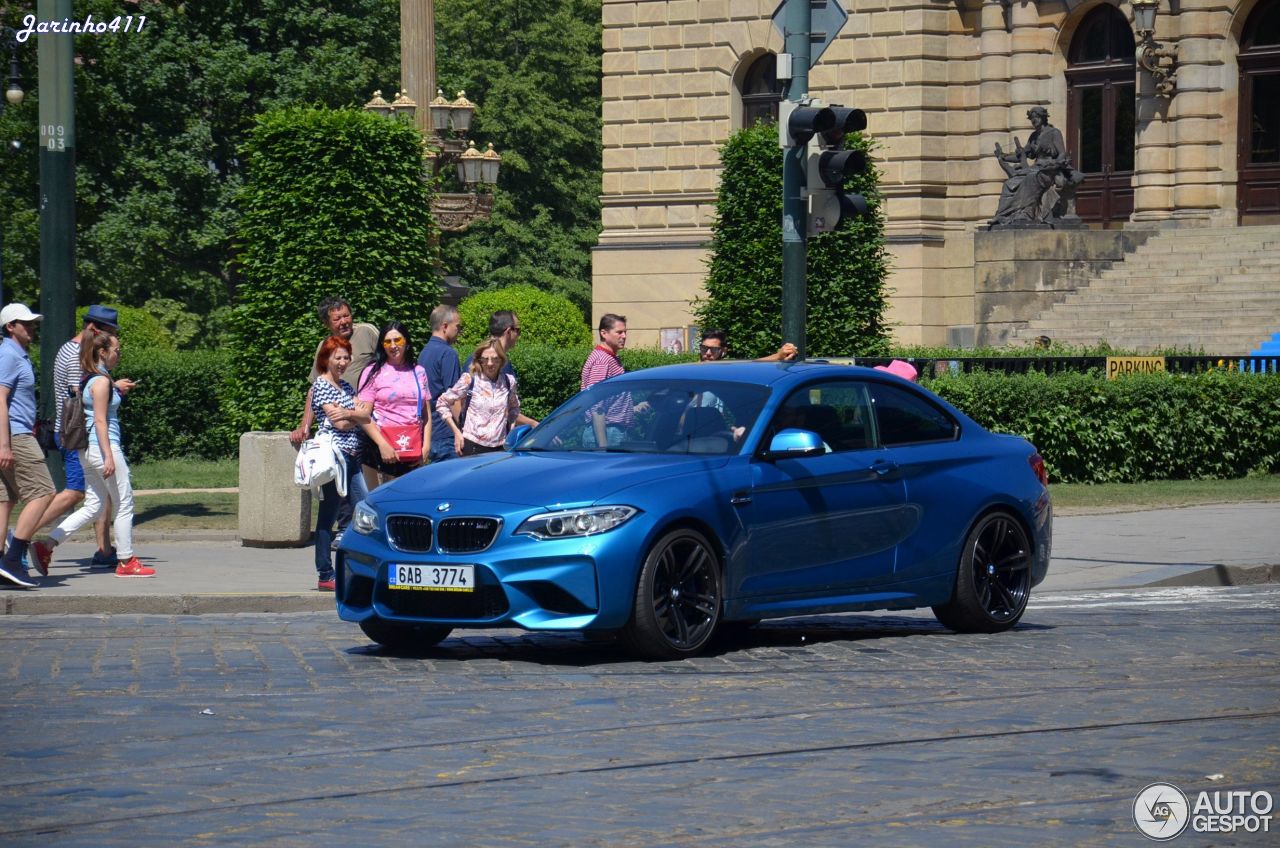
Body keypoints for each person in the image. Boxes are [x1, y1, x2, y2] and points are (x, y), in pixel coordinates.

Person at [43, 333, 154, 576]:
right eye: (116, 350)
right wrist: (108, 456)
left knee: (93, 505)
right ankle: (126, 561)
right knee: (124, 502)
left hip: (86, 450)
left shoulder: (90, 379)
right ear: (102, 352)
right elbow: (101, 421)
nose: (119, 355)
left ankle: (46, 545)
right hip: (103, 446)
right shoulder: (102, 382)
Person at [41, 305, 123, 568]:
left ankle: (105, 549)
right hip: (78, 435)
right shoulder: (78, 353)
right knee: (75, 493)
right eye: (108, 333)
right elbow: (84, 394)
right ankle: (18, 537)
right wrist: (114, 387)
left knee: (99, 495)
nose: (110, 339)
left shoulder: (69, 349)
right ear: (93, 329)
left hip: (73, 432)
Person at [0, 304, 56, 588]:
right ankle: (12, 559)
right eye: (26, 323)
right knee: (44, 492)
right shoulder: (9, 355)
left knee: (6, 498)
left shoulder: (14, 354)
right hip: (16, 436)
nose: (32, 327)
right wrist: (4, 444)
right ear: (11, 326)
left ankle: (2, 563)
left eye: (33, 323)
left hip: (13, 435)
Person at [311, 336, 372, 591]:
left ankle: (359, 567)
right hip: (334, 458)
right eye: (338, 357)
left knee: (365, 509)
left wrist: (351, 414)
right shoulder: (321, 386)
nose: (343, 362)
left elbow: (365, 415)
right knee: (329, 516)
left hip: (352, 457)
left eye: (346, 357)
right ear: (327, 358)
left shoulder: (346, 387)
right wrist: (354, 415)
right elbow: (340, 423)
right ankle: (325, 573)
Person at [289, 297, 378, 447]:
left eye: (346, 315)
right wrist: (304, 426)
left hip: (372, 414)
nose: (344, 322)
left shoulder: (367, 332)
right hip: (342, 422)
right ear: (326, 323)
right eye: (337, 319)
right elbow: (315, 389)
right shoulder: (324, 347)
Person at [356, 322, 431, 489]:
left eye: (397, 340)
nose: (393, 345)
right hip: (378, 448)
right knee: (377, 501)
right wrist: (383, 445)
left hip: (410, 447)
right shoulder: (373, 372)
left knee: (408, 500)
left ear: (406, 341)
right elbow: (363, 415)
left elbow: (426, 414)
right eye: (387, 341)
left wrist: (425, 446)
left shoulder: (419, 371)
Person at [436, 338, 522, 456]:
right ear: (479, 360)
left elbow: (514, 408)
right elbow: (442, 402)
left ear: (501, 360)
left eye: (495, 359)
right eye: (485, 359)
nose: (490, 363)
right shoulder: (470, 380)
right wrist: (456, 432)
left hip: (500, 448)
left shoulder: (508, 381)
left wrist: (511, 430)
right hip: (473, 446)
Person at [580, 314, 649, 445]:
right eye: (619, 332)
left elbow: (610, 402)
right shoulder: (602, 360)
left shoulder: (609, 357)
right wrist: (603, 447)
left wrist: (632, 409)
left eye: (625, 332)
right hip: (607, 433)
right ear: (604, 333)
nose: (624, 336)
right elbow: (597, 406)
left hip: (611, 431)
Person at [461, 310, 537, 428]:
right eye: (518, 330)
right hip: (488, 441)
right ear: (508, 331)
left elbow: (458, 401)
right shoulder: (499, 363)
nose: (518, 335)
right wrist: (533, 424)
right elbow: (503, 409)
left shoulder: (475, 357)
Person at [417, 304, 463, 463]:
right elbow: (453, 397)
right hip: (447, 433)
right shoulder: (447, 353)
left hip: (431, 432)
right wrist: (461, 429)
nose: (459, 330)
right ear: (445, 326)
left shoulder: (424, 353)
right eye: (457, 326)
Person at [696, 329, 798, 363]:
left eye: (713, 350)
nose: (708, 353)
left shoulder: (726, 372)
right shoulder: (687, 371)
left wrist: (778, 356)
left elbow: (753, 365)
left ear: (724, 351)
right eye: (704, 349)